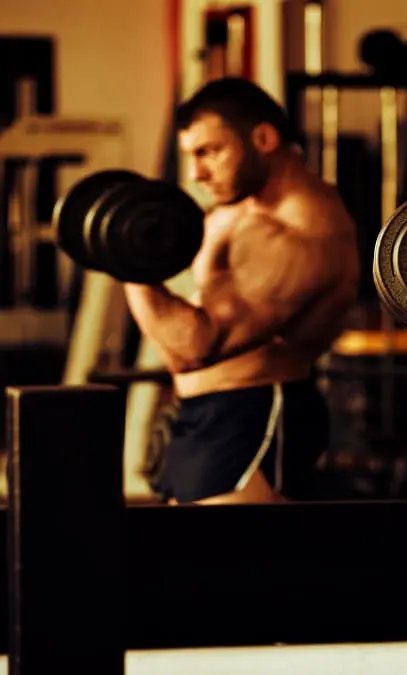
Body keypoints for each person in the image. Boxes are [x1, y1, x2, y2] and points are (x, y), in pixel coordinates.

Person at [126, 77, 360, 506]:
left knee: (225, 566)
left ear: (264, 138)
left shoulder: (303, 231)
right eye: (191, 156)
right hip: (204, 416)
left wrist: (127, 265)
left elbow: (196, 347)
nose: (197, 173)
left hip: (253, 415)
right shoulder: (237, 210)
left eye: (209, 152)